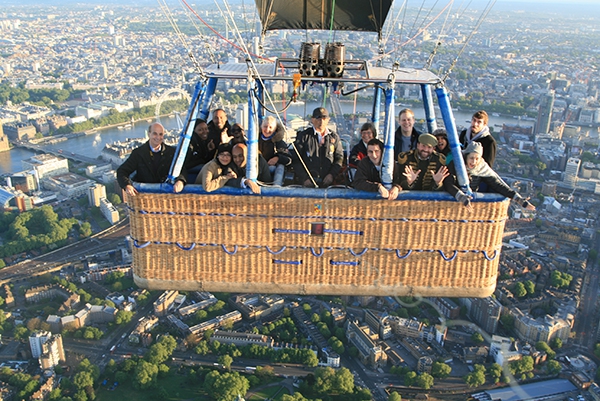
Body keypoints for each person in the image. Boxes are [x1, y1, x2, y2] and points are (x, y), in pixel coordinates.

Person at [444, 141, 535, 211]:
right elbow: (448, 183)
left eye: (477, 159)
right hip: (453, 202)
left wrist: (518, 199)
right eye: (471, 158)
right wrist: (461, 196)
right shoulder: (456, 164)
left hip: (470, 204)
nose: (474, 162)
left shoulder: (481, 168)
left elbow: (497, 185)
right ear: (466, 156)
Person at [117, 122, 185, 197]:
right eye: (155, 134)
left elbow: (182, 169)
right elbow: (121, 171)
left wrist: (180, 181)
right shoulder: (138, 153)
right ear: (149, 134)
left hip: (167, 197)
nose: (158, 137)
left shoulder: (171, 152)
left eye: (161, 134)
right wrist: (127, 185)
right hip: (146, 197)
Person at [292, 107, 344, 188]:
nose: (321, 121)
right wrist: (305, 178)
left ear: (328, 120)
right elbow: (296, 159)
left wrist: (331, 175)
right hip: (307, 182)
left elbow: (339, 158)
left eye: (324, 118)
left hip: (328, 183)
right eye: (318, 118)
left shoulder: (334, 137)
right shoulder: (304, 136)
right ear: (312, 120)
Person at [259, 116, 292, 186]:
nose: (267, 129)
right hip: (259, 168)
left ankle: (276, 185)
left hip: (272, 168)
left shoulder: (278, 142)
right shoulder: (256, 140)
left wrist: (277, 158)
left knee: (281, 166)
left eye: (270, 127)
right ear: (261, 127)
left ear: (275, 129)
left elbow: (288, 159)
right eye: (265, 126)